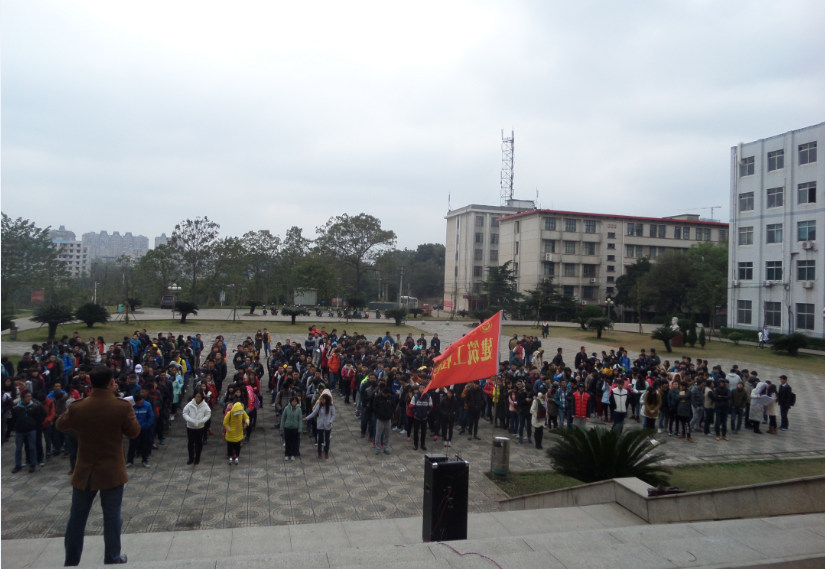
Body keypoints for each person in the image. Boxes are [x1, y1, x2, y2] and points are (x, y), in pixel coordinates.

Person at [56, 365, 141, 566]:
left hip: (85, 470)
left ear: (91, 383)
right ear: (112, 382)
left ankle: (71, 560)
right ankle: (112, 558)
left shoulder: (78, 406)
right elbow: (134, 432)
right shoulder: (122, 406)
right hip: (112, 471)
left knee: (77, 518)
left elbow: (60, 425)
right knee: (112, 517)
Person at [11, 389, 45, 474]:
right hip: (19, 431)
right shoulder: (17, 408)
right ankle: (18, 465)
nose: (29, 398)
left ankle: (33, 464)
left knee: (32, 447)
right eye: (27, 397)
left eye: (30, 396)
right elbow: (14, 419)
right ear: (22, 398)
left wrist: (34, 425)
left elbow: (39, 417)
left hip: (31, 430)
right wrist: (16, 426)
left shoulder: (35, 406)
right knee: (18, 448)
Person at [126, 392, 154, 468]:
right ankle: (129, 461)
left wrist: (147, 426)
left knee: (144, 445)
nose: (138, 404)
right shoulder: (132, 406)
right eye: (136, 403)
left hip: (143, 428)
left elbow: (151, 416)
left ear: (141, 400)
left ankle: (145, 460)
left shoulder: (147, 405)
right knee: (132, 445)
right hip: (134, 429)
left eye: (139, 402)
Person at [182, 391, 211, 465]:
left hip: (200, 427)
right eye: (197, 397)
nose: (198, 398)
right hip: (190, 427)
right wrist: (189, 420)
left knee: (199, 443)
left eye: (199, 397)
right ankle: (191, 458)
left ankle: (197, 458)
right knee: (190, 443)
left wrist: (202, 421)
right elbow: (185, 413)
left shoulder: (204, 405)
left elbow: (208, 414)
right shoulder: (190, 404)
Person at [305, 392, 335, 458]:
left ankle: (326, 452)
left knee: (327, 439)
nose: (322, 401)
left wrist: (330, 421)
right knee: (320, 439)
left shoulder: (331, 406)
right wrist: (306, 418)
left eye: (323, 399)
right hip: (320, 425)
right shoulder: (319, 406)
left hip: (327, 425)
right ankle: (319, 452)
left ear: (326, 399)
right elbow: (313, 413)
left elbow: (333, 415)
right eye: (321, 399)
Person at [224, 397, 249, 465]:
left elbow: (246, 417)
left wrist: (246, 423)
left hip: (238, 431)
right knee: (230, 446)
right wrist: (229, 430)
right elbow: (225, 423)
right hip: (231, 434)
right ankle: (231, 456)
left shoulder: (242, 412)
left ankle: (236, 456)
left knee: (237, 446)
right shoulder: (229, 414)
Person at [409, 383, 432, 451]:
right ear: (419, 389)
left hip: (424, 418)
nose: (422, 389)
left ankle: (423, 444)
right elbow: (411, 406)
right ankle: (415, 445)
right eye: (420, 388)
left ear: (425, 388)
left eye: (423, 388)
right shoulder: (415, 396)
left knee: (423, 432)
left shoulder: (428, 397)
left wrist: (428, 412)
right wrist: (415, 413)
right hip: (417, 417)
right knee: (416, 432)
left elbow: (431, 406)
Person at [371, 387, 393, 454]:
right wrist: (378, 413)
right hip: (380, 419)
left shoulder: (391, 398)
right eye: (383, 393)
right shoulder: (378, 397)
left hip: (388, 419)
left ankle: (386, 447)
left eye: (386, 394)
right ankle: (377, 448)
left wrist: (391, 413)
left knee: (387, 434)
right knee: (378, 434)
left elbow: (393, 406)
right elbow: (374, 406)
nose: (384, 395)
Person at [281, 396, 302, 460]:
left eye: (295, 401)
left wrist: (300, 429)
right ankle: (287, 454)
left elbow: (300, 420)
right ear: (290, 402)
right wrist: (282, 427)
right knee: (288, 442)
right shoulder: (286, 408)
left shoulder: (299, 409)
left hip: (295, 428)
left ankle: (292, 454)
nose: (294, 403)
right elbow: (283, 418)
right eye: (293, 401)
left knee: (294, 442)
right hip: (287, 427)